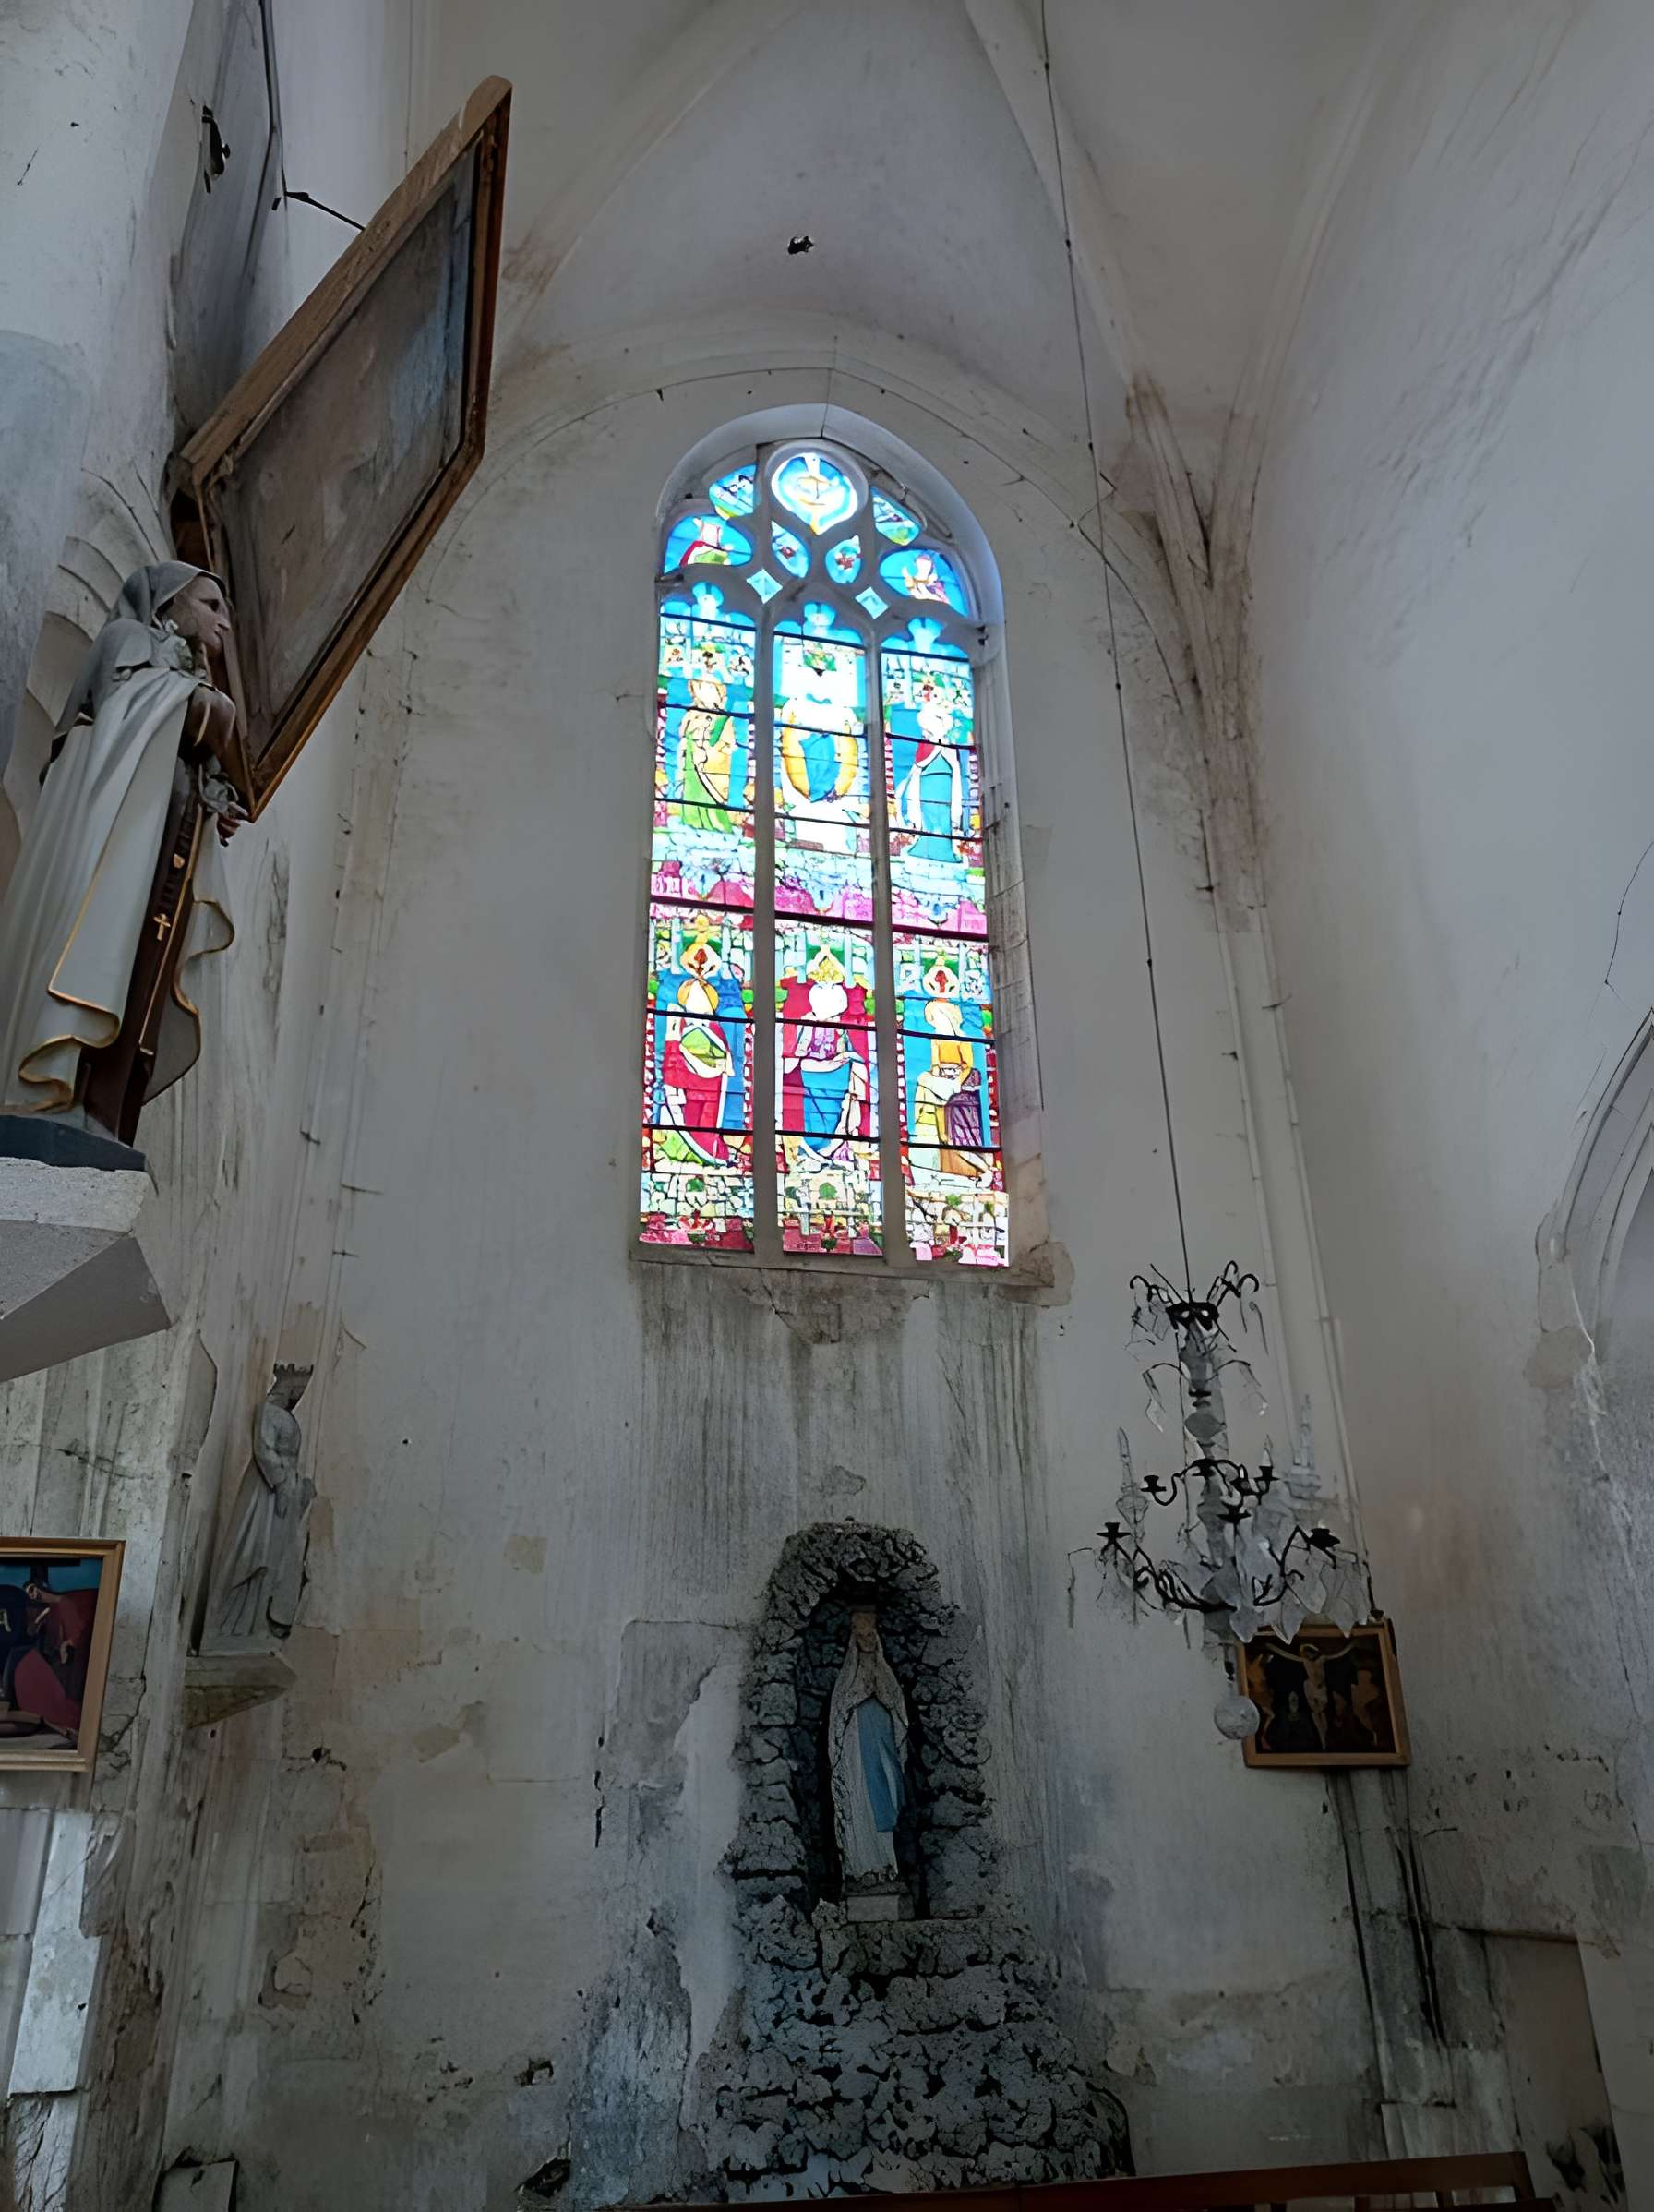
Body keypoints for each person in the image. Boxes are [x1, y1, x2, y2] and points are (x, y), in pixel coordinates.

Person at [0, 563, 242, 1145]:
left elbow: (183, 745)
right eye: (210, 604)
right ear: (168, 603)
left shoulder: (186, 672)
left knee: (144, 978)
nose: (223, 622)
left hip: (160, 853)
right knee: (95, 950)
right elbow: (125, 719)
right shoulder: (129, 639)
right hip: (113, 843)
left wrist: (215, 796)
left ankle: (105, 1110)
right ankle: (60, 1088)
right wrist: (206, 708)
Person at [827, 1608, 909, 1893]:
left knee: (887, 1798)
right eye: (861, 1635)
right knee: (859, 1805)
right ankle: (861, 1868)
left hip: (882, 1750)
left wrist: (880, 1693)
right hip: (857, 1757)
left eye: (870, 1634)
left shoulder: (885, 1674)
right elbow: (838, 1715)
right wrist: (859, 1694)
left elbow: (899, 1711)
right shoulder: (847, 1677)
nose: (867, 1640)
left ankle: (888, 1867)